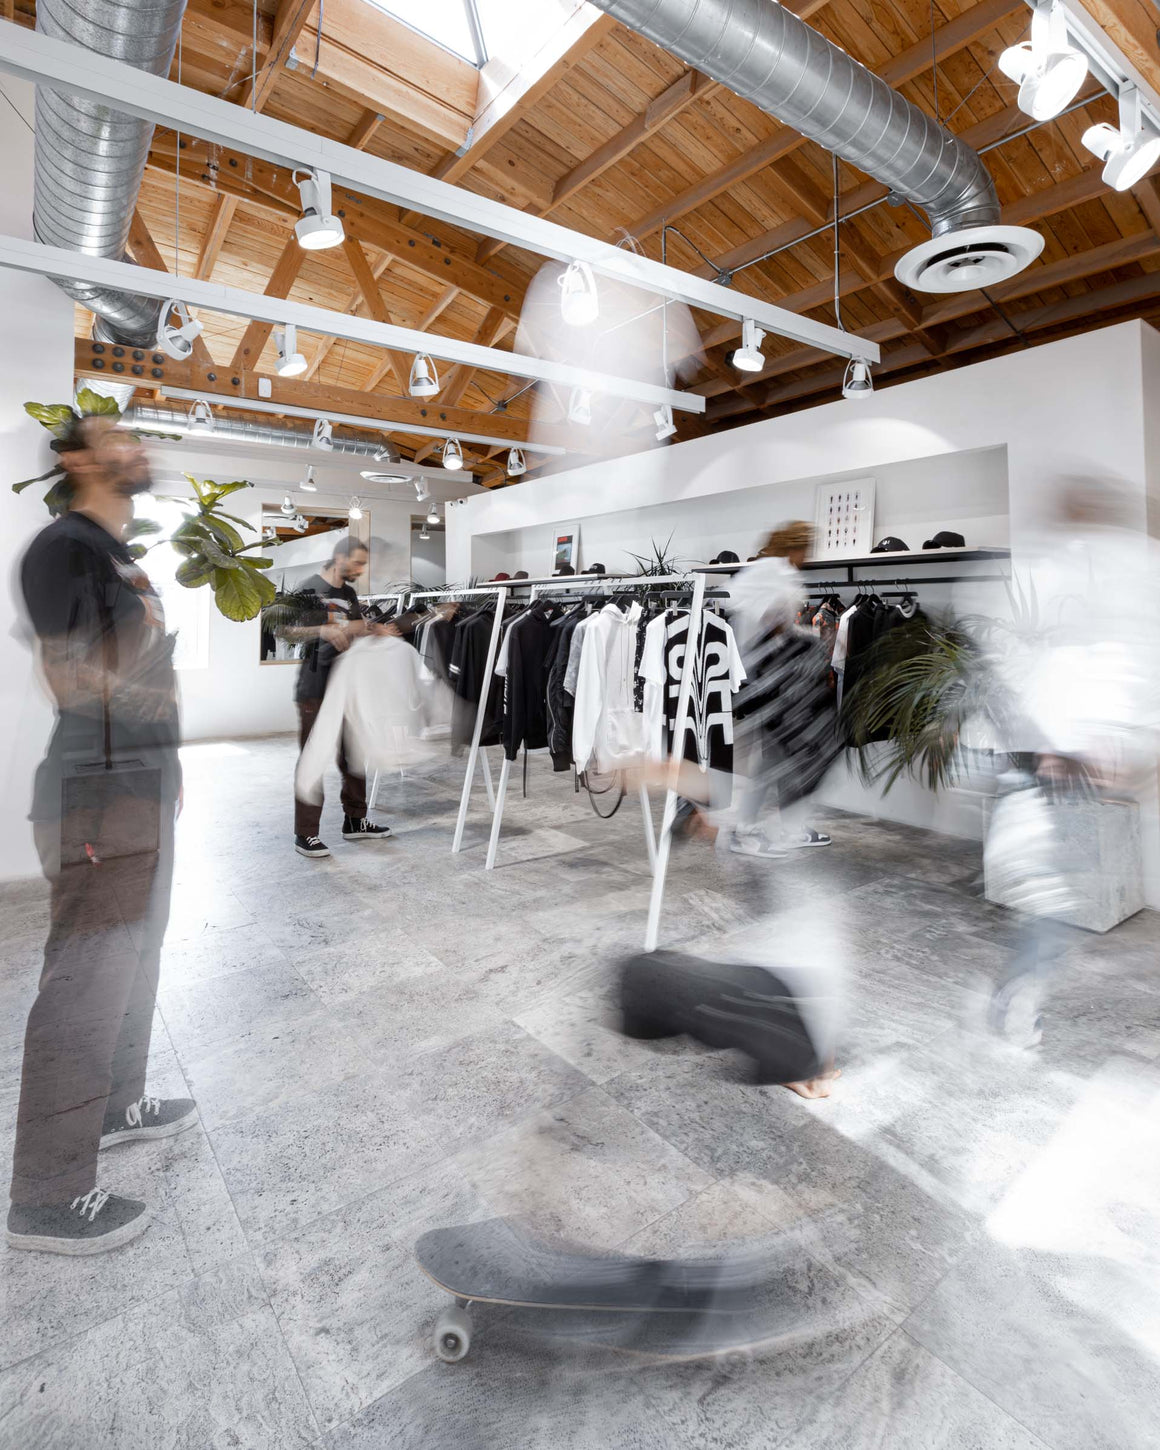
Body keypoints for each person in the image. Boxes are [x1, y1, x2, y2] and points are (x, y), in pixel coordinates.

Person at [7, 414, 196, 1256]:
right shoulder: (64, 549)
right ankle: (45, 1198)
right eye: (117, 437)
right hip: (95, 793)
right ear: (77, 457)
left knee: (135, 961)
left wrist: (169, 763)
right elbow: (70, 677)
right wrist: (150, 720)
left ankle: (119, 1106)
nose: (137, 447)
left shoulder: (123, 557)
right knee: (85, 984)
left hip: (140, 787)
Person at [728, 522, 833, 856]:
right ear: (797, 547)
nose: (809, 557)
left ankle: (780, 827)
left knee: (776, 756)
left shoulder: (759, 572)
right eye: (807, 549)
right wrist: (810, 640)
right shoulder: (778, 575)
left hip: (754, 679)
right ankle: (748, 830)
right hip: (769, 682)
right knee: (778, 756)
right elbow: (775, 627)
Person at [288, 535, 392, 858]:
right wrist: (321, 630)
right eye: (357, 563)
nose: (360, 569)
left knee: (354, 755)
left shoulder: (348, 593)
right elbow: (284, 629)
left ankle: (355, 820)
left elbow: (355, 626)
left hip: (347, 685)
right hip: (315, 688)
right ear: (339, 558)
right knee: (314, 757)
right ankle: (306, 834)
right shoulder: (309, 589)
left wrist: (373, 630)